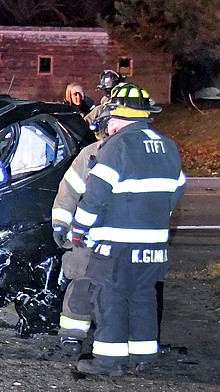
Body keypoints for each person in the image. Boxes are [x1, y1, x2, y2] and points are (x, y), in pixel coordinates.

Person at [68, 83, 185, 376]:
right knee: (143, 298)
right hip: (154, 247)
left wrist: (79, 229)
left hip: (117, 246)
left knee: (109, 299)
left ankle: (109, 361)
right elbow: (177, 188)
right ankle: (144, 358)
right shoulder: (167, 146)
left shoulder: (116, 146)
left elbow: (95, 195)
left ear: (118, 115)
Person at [50, 107, 109, 355]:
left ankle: (111, 341)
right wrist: (61, 224)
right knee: (81, 286)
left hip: (116, 238)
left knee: (114, 290)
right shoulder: (90, 155)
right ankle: (72, 335)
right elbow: (69, 192)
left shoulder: (134, 156)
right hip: (86, 238)